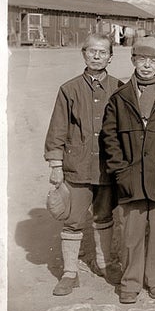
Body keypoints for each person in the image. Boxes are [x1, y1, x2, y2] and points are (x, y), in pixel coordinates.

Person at [101, 36, 155, 304]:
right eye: (141, 59)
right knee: (131, 235)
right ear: (133, 60)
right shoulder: (120, 97)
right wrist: (120, 171)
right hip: (130, 178)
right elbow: (109, 138)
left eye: (153, 60)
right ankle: (130, 283)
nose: (147, 65)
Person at [44, 34, 122, 296]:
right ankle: (70, 272)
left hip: (107, 168)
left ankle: (105, 263)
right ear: (84, 54)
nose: (97, 56)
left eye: (103, 52)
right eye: (92, 51)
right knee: (73, 219)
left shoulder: (119, 88)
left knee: (104, 215)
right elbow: (57, 129)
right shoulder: (69, 89)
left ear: (111, 56)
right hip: (76, 167)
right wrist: (56, 165)